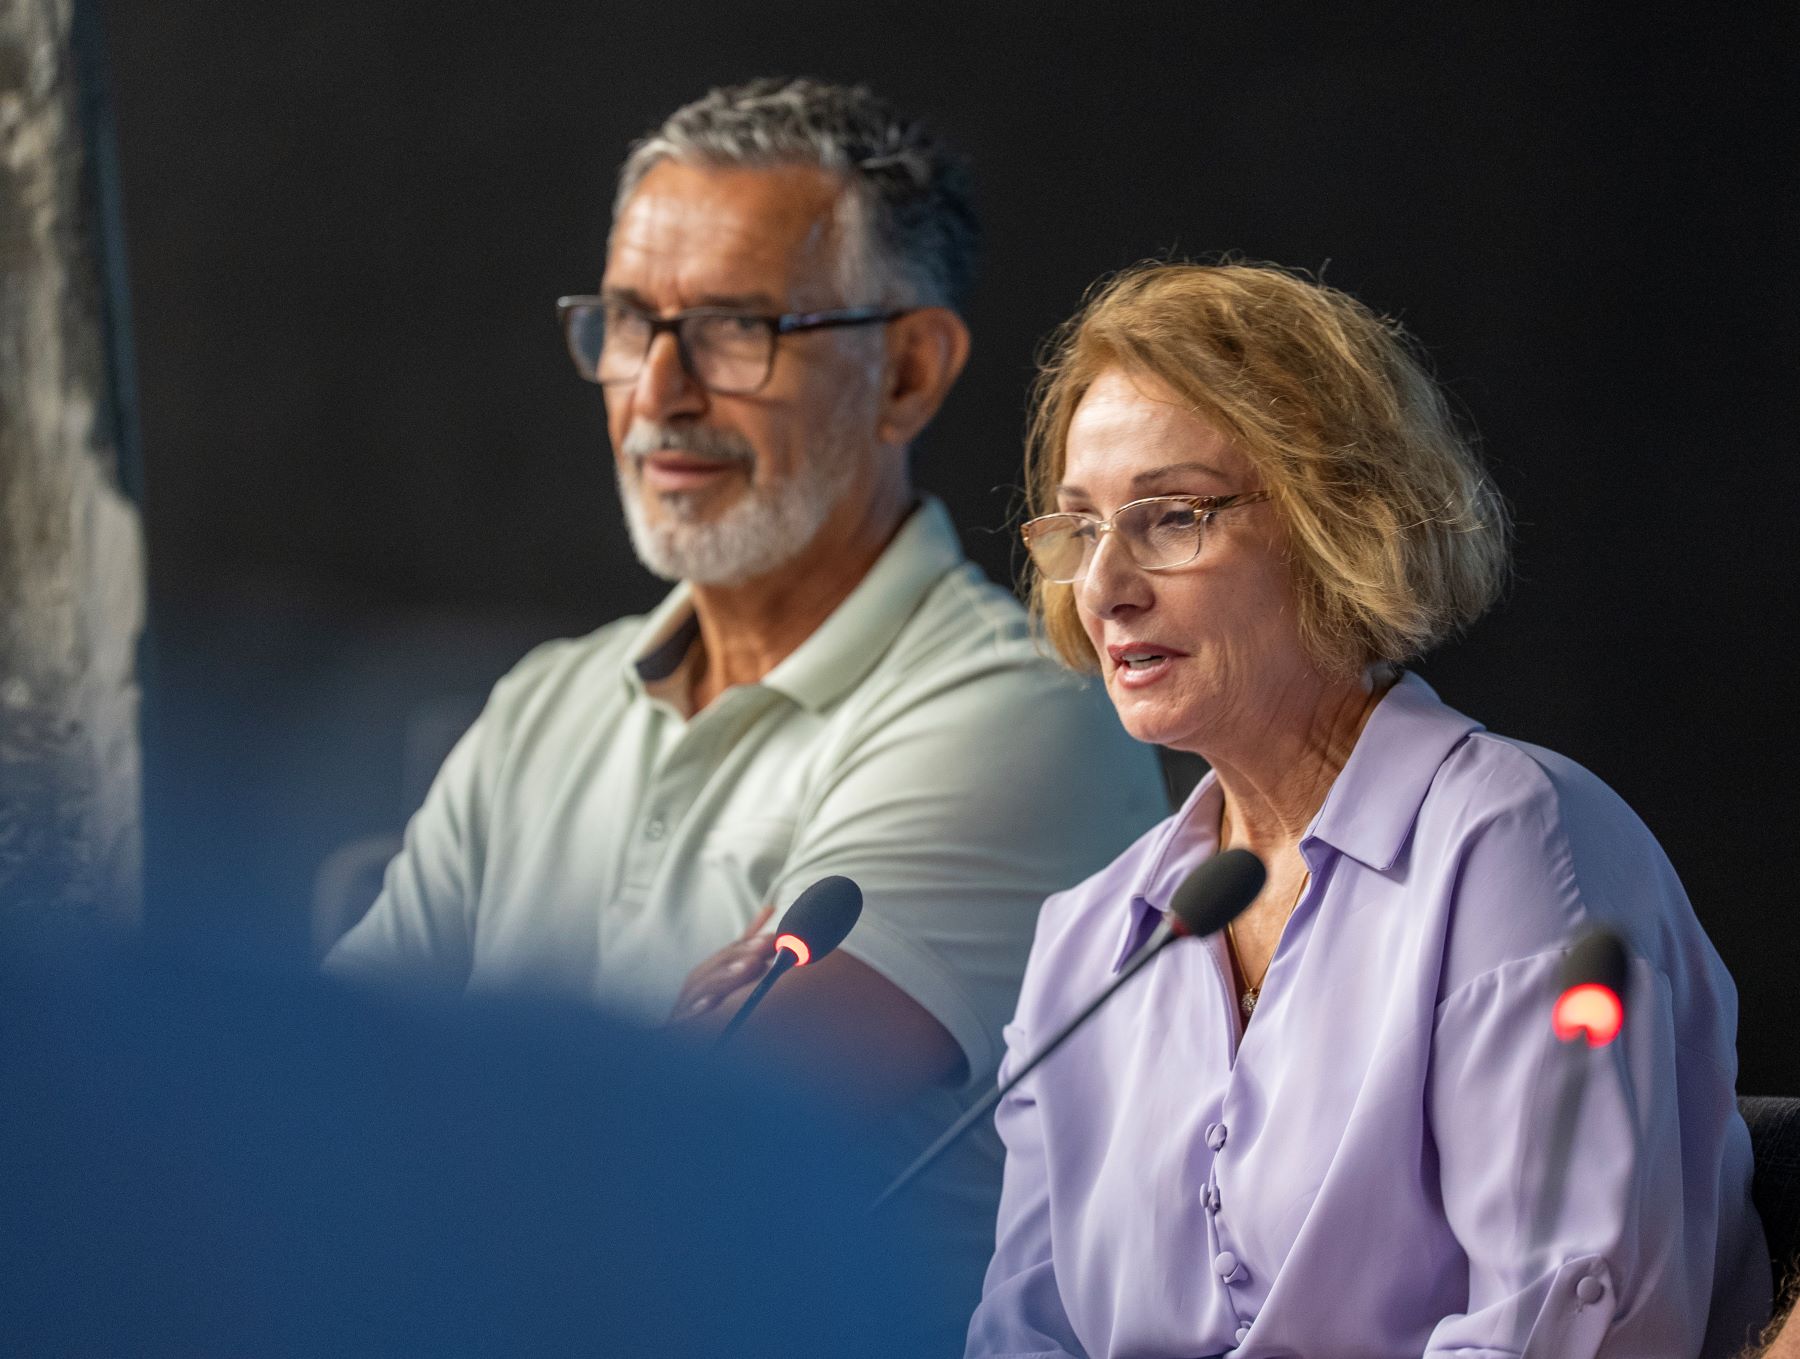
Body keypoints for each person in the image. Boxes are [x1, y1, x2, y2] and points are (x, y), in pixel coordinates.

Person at [325, 79, 1165, 1334]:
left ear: (909, 375)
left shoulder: (1018, 717)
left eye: (733, 329)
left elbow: (675, 1156)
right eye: (626, 323)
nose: (657, 391)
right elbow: (303, 1101)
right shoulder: (543, 708)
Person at [966, 262, 1769, 1357]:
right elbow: (1021, 1336)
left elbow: (1557, 1329)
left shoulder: (1515, 844)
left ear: (1336, 520)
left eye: (1170, 517)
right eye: (1077, 528)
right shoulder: (1088, 943)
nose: (1105, 585)